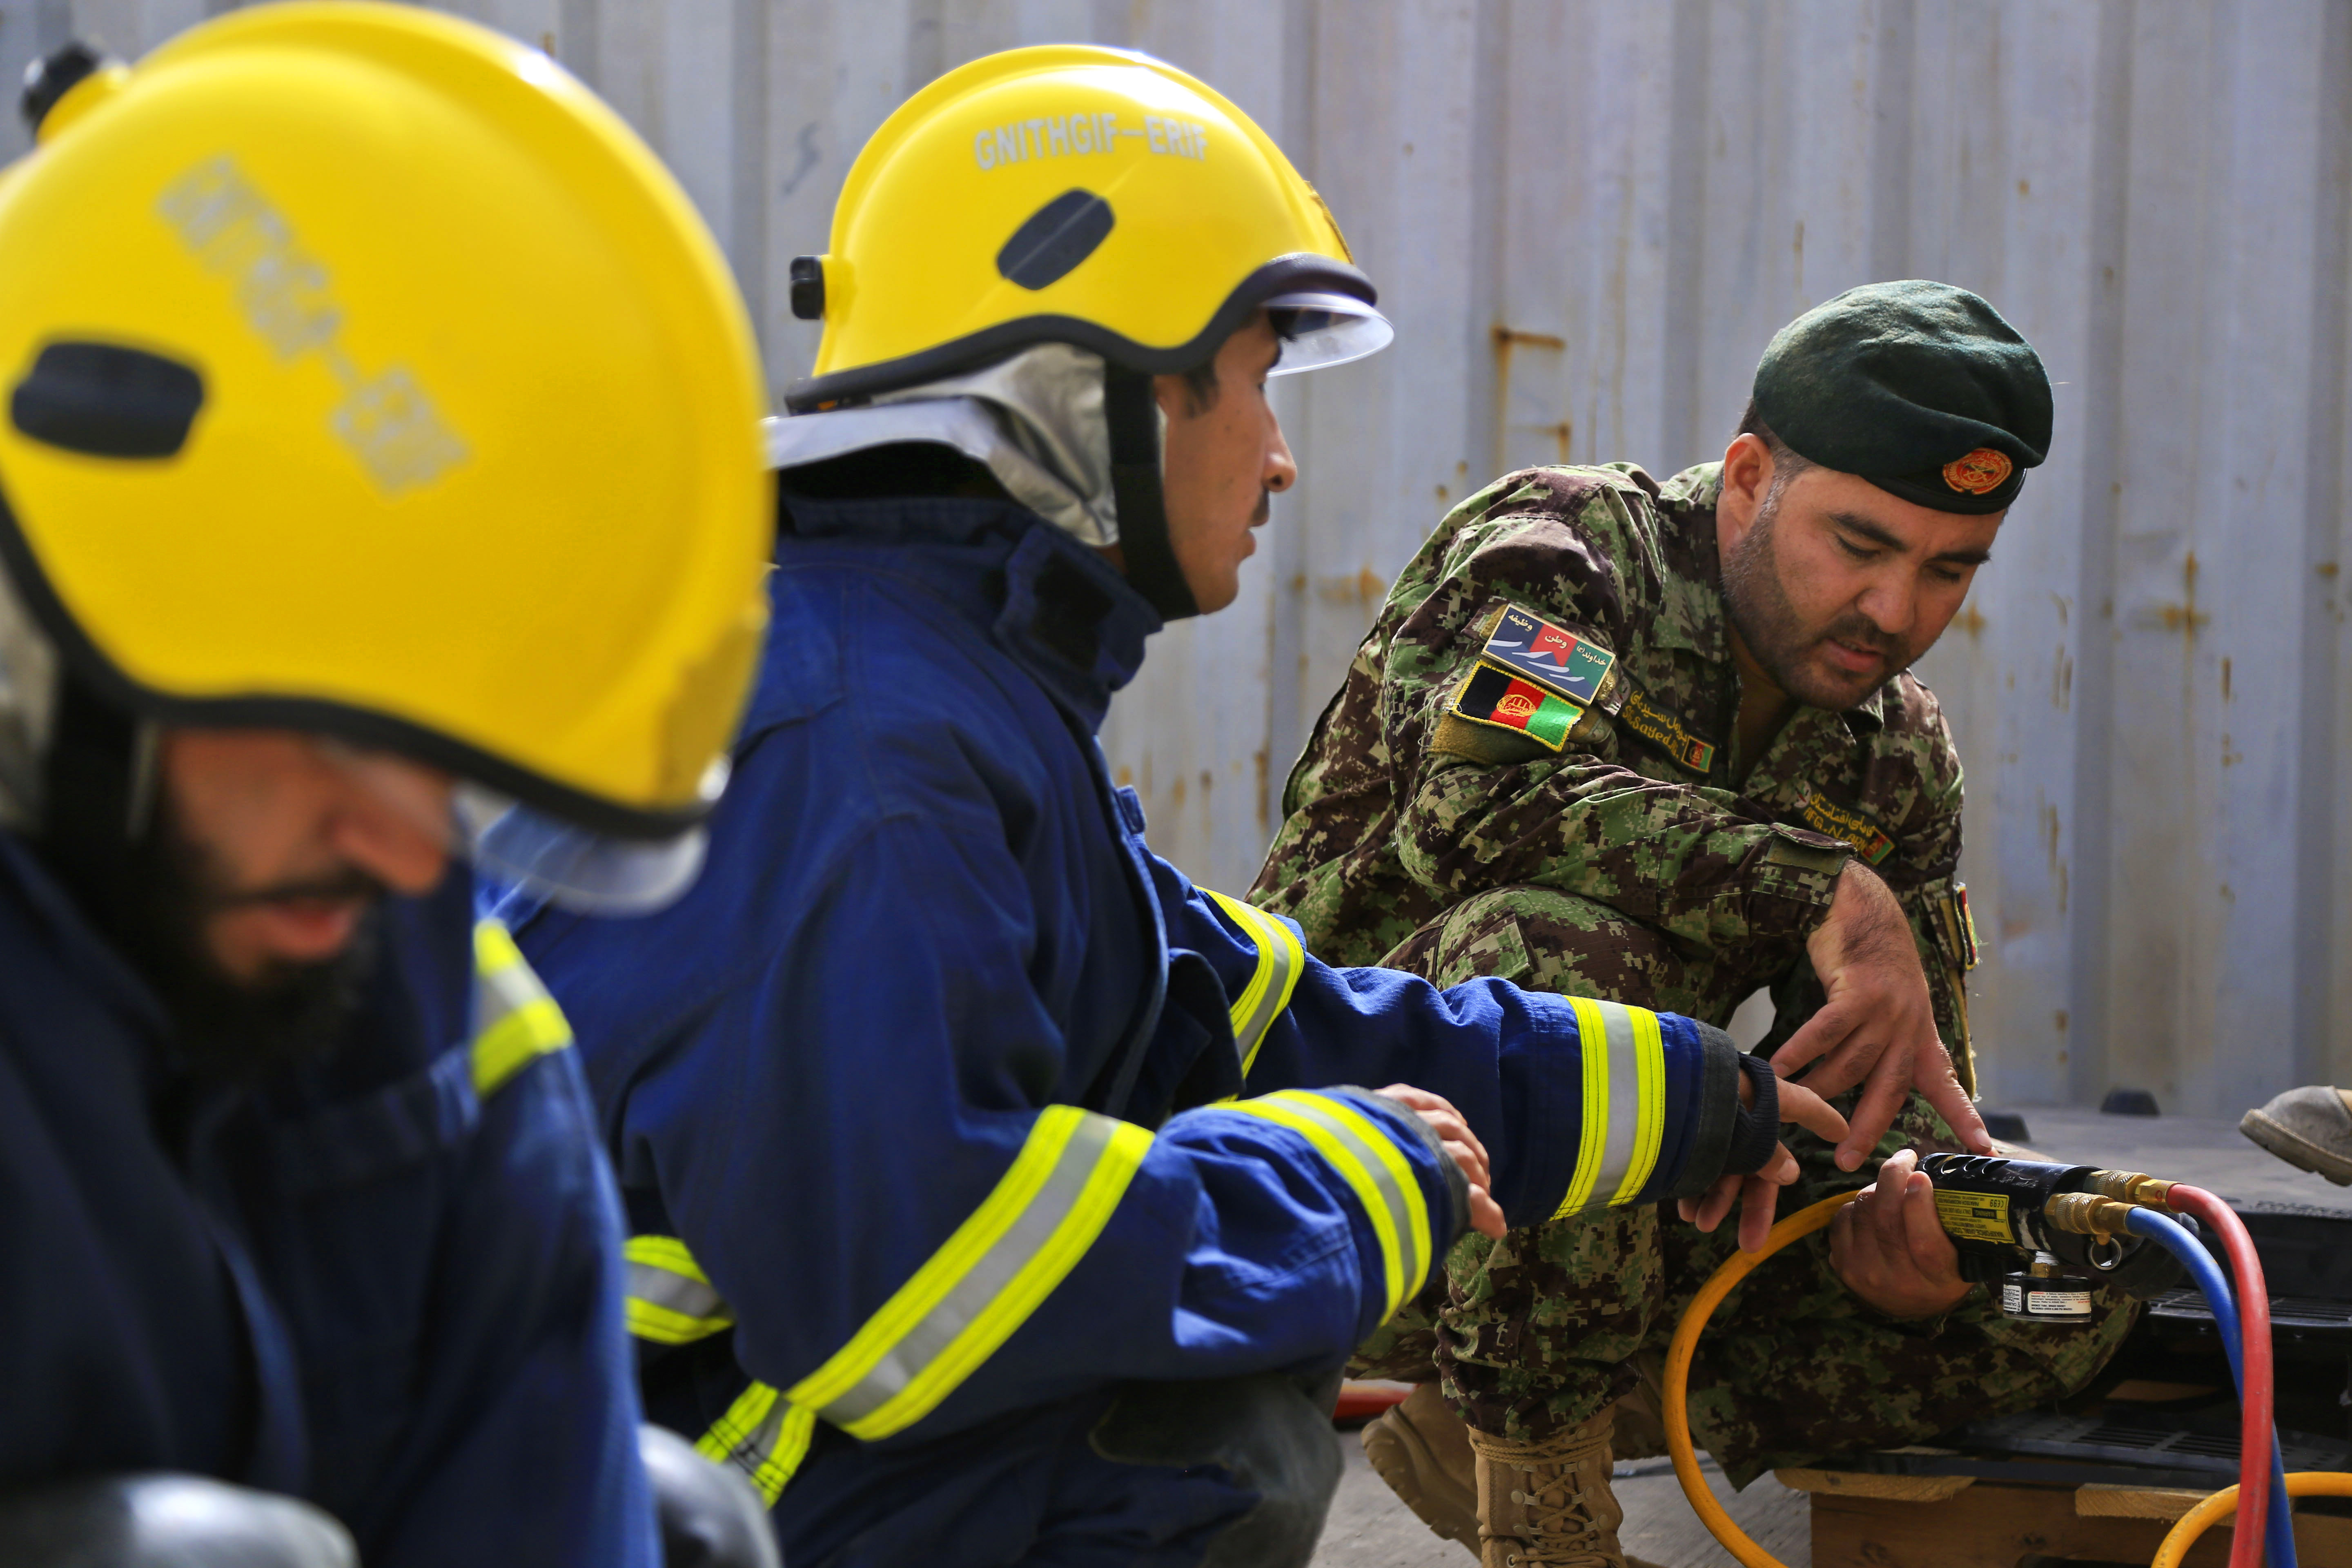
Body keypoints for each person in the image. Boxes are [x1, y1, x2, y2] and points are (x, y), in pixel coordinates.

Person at [504, 45, 1847, 1568]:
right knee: (1197, 1430)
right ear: (1097, 391)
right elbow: (913, 1293)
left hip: (702, 1429)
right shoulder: (865, 750)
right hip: (631, 1497)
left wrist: (1684, 1097)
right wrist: (1348, 1179)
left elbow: (1229, 1014)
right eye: (1258, 381)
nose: (1279, 459)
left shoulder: (943, 684)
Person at [0, 10, 779, 1568]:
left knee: (686, 1522)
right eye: (340, 736)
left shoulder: (407, 991)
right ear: (65, 632)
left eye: (459, 757)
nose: (409, 851)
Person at [1249, 281, 2136, 1564]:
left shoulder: (1891, 757)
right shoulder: (1567, 560)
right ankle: (1540, 1494)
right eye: (1859, 543)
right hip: (1347, 1162)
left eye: (1949, 569)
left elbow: (1891, 1094)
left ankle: (1566, 1398)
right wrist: (1824, 885)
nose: (1895, 611)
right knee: (1575, 970)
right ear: (1747, 479)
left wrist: (1900, 1244)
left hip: (1595, 1225)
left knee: (2066, 1284)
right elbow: (1479, 806)